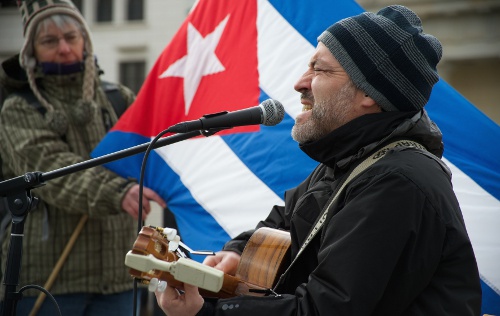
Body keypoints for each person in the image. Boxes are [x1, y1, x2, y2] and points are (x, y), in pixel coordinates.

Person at [154, 5, 482, 316]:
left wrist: (206, 312)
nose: (300, 83)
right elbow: (284, 222)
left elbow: (325, 309)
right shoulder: (352, 161)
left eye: (319, 69)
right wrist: (237, 254)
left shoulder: (396, 182)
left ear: (370, 94)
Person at [0, 0, 166, 314]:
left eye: (71, 37)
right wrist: (118, 192)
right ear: (30, 51)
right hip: (48, 284)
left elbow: (156, 159)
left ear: (85, 41)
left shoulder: (118, 98)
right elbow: (51, 172)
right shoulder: (17, 108)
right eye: (50, 41)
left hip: (120, 278)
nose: (64, 48)